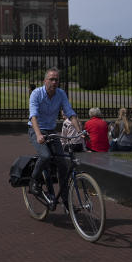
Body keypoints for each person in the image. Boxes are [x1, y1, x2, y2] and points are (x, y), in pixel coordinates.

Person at [28, 67, 81, 210]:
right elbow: (33, 116)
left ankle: (66, 202)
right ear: (45, 81)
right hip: (36, 129)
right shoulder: (36, 94)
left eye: (56, 79)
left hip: (51, 130)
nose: (54, 82)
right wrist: (38, 134)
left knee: (63, 164)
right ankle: (33, 182)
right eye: (51, 79)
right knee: (45, 155)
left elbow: (70, 112)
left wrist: (80, 132)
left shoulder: (61, 93)